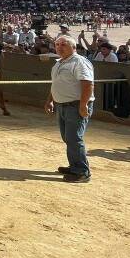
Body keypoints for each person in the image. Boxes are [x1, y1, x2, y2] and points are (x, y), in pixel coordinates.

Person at [45, 34, 94, 183]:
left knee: (74, 138)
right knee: (68, 138)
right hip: (62, 105)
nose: (59, 47)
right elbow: (56, 84)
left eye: (64, 44)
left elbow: (87, 84)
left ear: (73, 47)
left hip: (75, 105)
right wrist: (50, 100)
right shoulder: (59, 63)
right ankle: (75, 165)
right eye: (57, 44)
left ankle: (82, 172)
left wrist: (83, 104)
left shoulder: (79, 62)